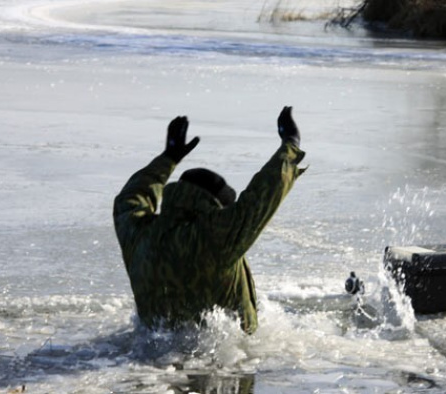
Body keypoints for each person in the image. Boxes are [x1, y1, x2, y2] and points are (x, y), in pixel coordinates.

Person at [112, 107, 305, 334]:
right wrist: (291, 144)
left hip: (152, 360)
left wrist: (168, 158)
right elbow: (264, 193)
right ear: (213, 205)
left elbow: (129, 200)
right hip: (223, 361)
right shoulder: (216, 237)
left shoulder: (139, 235)